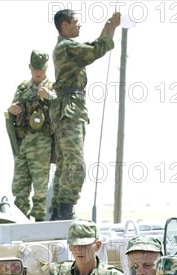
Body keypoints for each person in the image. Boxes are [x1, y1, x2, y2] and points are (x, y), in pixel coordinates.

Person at [49, 9, 121, 220]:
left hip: (69, 107)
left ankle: (58, 212)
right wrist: (111, 30)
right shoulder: (67, 47)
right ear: (65, 25)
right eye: (76, 22)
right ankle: (65, 212)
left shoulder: (67, 47)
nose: (80, 25)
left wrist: (107, 29)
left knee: (64, 163)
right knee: (75, 164)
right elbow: (94, 51)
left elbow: (92, 47)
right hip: (69, 109)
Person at [8, 50, 54, 221]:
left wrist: (50, 98)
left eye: (41, 68)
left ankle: (40, 220)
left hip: (41, 142)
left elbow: (62, 111)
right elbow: (12, 110)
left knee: (40, 186)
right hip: (23, 144)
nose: (38, 72)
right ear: (30, 67)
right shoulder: (22, 88)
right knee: (20, 186)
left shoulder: (52, 88)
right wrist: (11, 109)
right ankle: (20, 219)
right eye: (35, 68)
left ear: (46, 68)